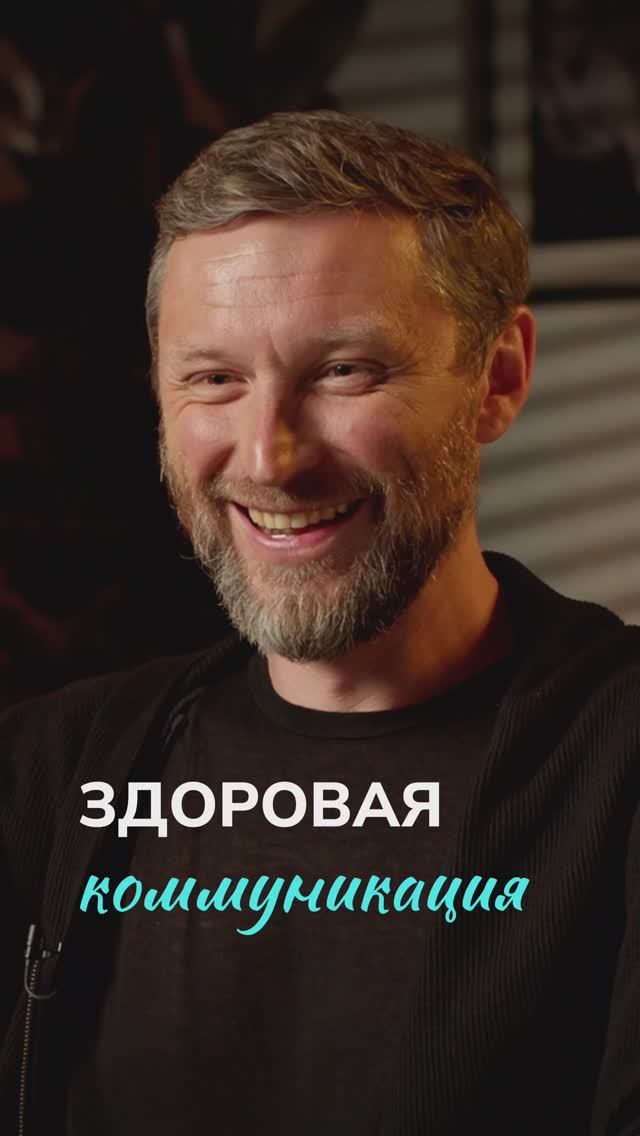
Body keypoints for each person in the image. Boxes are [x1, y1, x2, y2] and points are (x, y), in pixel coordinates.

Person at [1, 109, 639, 1136]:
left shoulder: (614, 770)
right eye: (215, 379)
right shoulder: (49, 776)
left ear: (499, 378)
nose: (269, 457)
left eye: (344, 370)